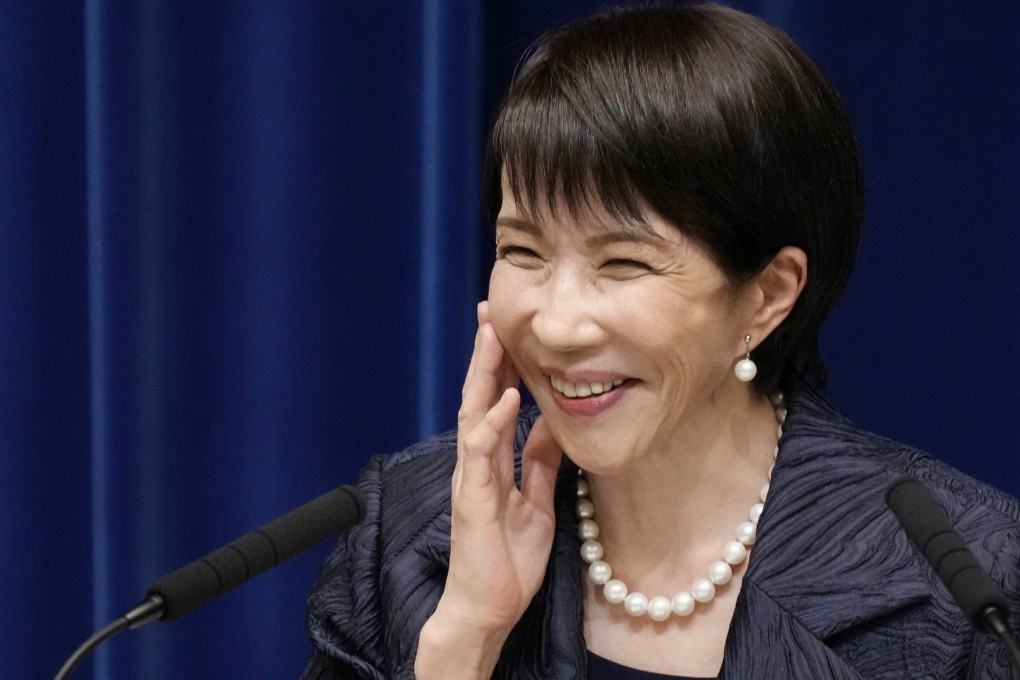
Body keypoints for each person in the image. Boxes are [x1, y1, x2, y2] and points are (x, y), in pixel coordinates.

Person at [300, 4, 1020, 679]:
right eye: (523, 251)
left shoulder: (967, 580)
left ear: (769, 294)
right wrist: (465, 638)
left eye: (624, 264)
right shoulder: (404, 530)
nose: (557, 324)